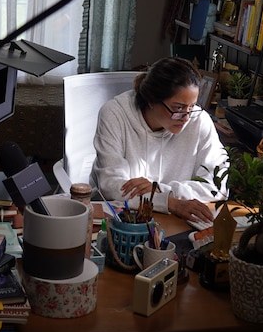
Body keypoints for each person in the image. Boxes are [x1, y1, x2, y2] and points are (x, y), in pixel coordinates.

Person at [90, 57, 228, 224]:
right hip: (121, 219)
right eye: (178, 108)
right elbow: (112, 186)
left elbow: (217, 186)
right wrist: (170, 203)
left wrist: (161, 190)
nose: (185, 118)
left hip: (174, 221)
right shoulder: (114, 114)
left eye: (191, 107)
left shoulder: (198, 120)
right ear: (152, 100)